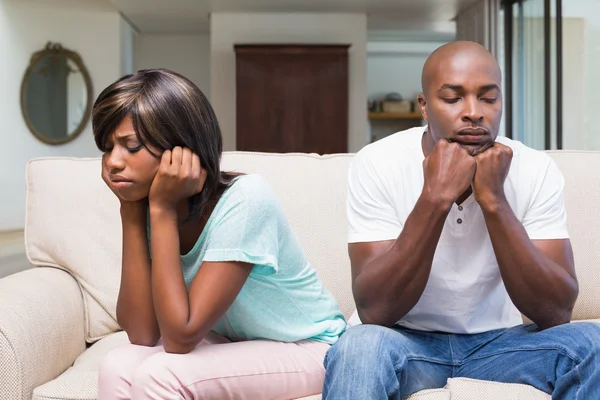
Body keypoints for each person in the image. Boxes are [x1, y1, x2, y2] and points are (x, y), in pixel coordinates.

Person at [322, 41, 600, 399]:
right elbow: (376, 310)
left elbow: (556, 311)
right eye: (452, 99)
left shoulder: (535, 168)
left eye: (488, 98)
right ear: (424, 106)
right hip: (406, 342)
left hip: (502, 345)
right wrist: (435, 197)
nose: (474, 112)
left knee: (591, 344)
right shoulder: (377, 163)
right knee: (358, 348)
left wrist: (494, 201)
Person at [94, 68, 346, 400]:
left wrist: (162, 211)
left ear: (180, 147)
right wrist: (130, 211)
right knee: (117, 365)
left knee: (161, 376)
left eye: (132, 146)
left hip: (309, 346)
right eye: (108, 147)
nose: (113, 162)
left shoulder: (245, 199)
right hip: (234, 342)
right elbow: (141, 333)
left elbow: (180, 336)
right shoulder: (150, 202)